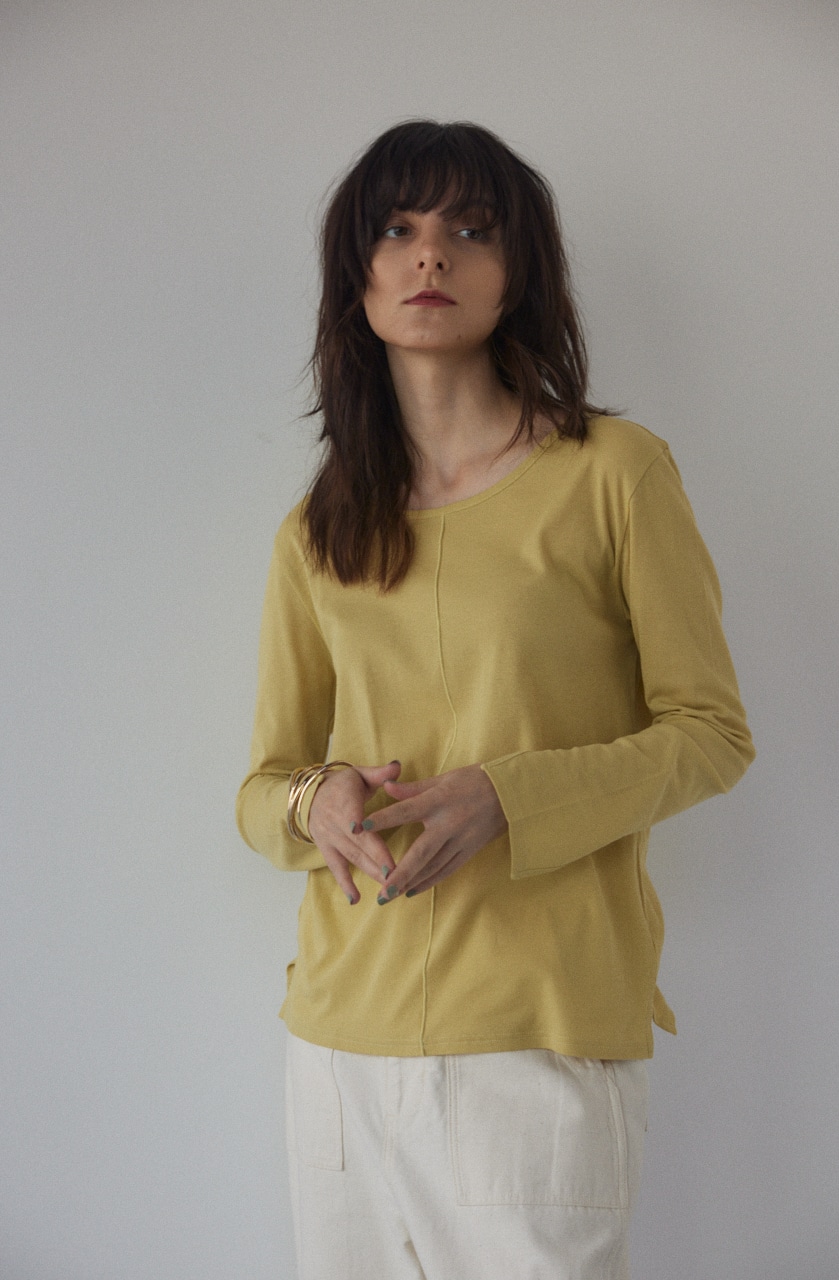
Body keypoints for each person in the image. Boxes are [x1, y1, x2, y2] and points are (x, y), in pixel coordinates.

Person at [236, 119, 754, 1280]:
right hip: (337, 1045)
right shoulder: (318, 529)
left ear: (518, 273)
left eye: (470, 229)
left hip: (537, 1037)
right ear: (355, 275)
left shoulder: (614, 473)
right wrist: (317, 799)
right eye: (396, 228)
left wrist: (510, 796)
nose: (430, 254)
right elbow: (262, 784)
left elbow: (711, 733)